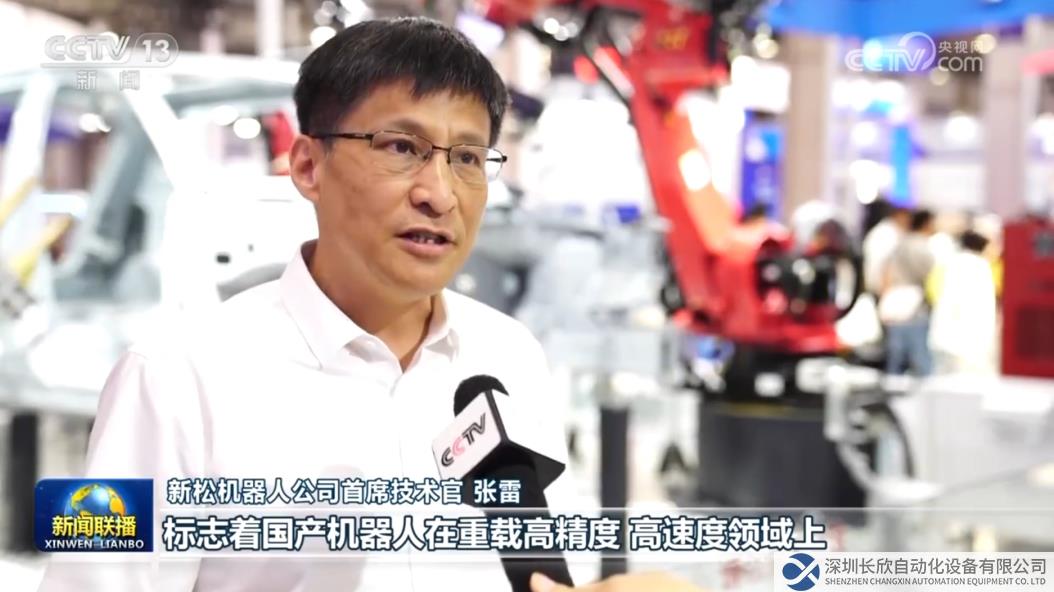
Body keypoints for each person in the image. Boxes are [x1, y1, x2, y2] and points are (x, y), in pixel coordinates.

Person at [38, 17, 580, 592]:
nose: (440, 194)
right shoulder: (174, 378)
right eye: (401, 147)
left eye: (467, 158)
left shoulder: (509, 355)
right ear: (307, 166)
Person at [928, 230, 998, 374]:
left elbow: (933, 289)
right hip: (970, 334)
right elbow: (985, 304)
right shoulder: (981, 266)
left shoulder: (948, 261)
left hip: (944, 330)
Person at [879, 208, 937, 376]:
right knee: (920, 357)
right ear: (926, 223)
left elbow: (886, 271)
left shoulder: (900, 243)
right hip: (914, 307)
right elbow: (930, 276)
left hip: (896, 305)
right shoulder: (920, 247)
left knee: (895, 357)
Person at [862, 200, 910, 296]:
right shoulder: (890, 234)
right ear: (900, 215)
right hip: (881, 287)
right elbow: (886, 263)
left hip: (872, 284)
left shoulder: (880, 230)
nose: (908, 222)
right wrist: (885, 290)